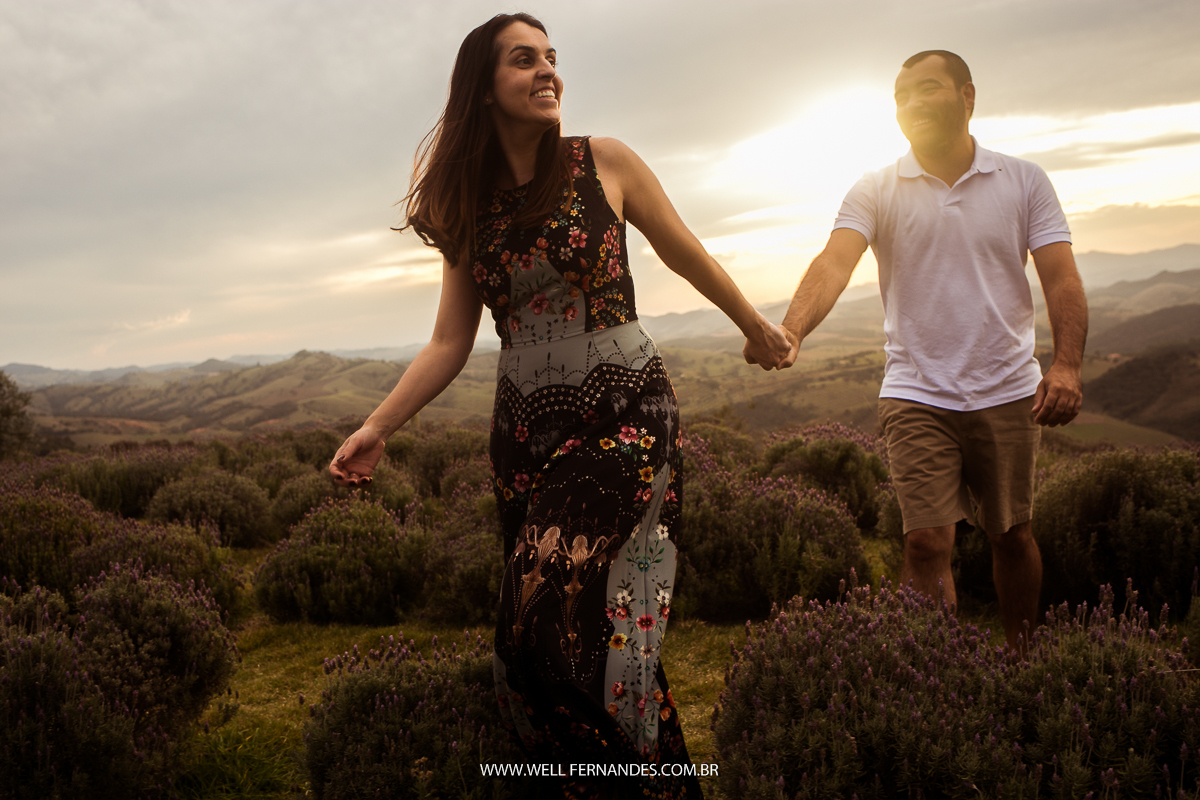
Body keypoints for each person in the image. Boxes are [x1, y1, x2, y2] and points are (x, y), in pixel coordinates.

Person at [329, 12, 791, 798]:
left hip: (624, 417)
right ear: (483, 88)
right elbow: (449, 341)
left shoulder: (602, 161)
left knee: (548, 617)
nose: (547, 71)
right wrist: (378, 426)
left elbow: (685, 251)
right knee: (544, 647)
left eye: (551, 57)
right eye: (524, 59)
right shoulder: (469, 208)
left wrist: (755, 326)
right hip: (524, 437)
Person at [772, 50, 1088, 651]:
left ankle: (1022, 662)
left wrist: (1067, 364)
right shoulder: (875, 188)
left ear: (968, 96)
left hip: (1008, 389)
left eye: (926, 89)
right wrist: (793, 329)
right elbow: (834, 262)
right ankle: (934, 675)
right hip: (915, 391)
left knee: (1012, 536)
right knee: (924, 542)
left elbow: (1061, 278)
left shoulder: (1024, 180)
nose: (910, 104)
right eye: (900, 95)